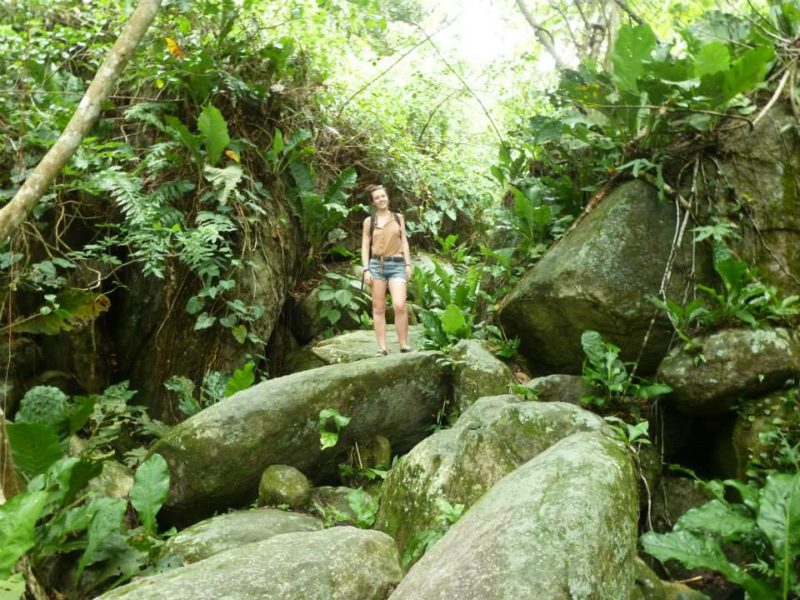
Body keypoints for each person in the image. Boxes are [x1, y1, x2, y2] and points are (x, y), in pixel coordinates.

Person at [361, 184, 413, 355]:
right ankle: (382, 348)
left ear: (387, 197)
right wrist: (366, 269)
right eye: (377, 198)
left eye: (383, 196)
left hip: (397, 264)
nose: (381, 199)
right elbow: (364, 246)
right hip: (376, 266)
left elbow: (404, 241)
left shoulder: (398, 218)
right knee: (378, 307)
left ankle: (404, 345)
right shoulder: (370, 221)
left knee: (399, 305)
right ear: (373, 202)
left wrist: (408, 264)